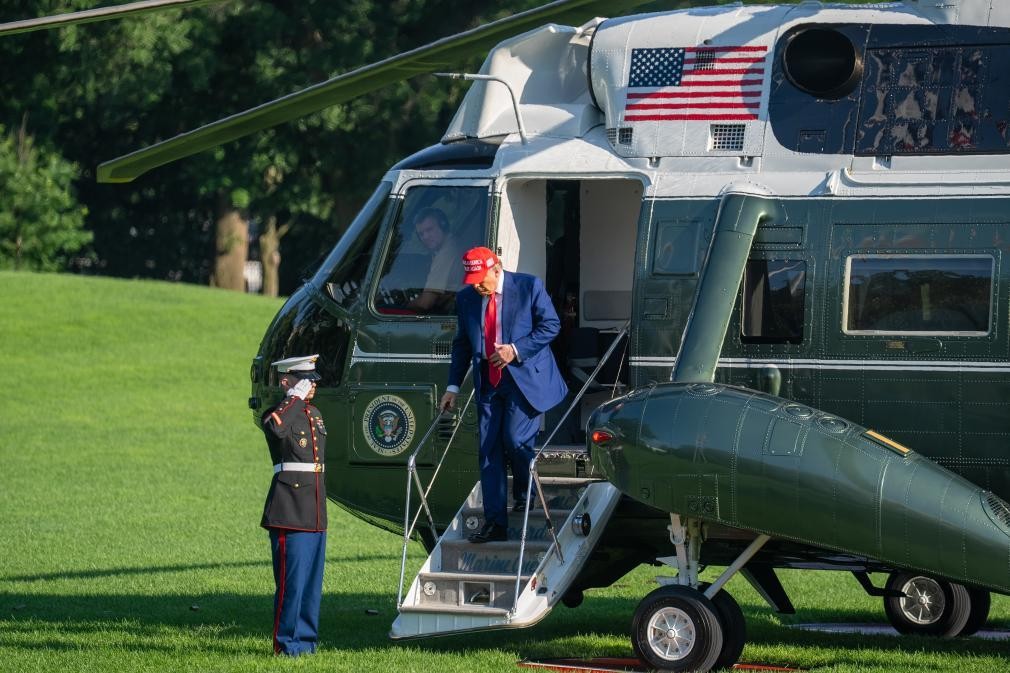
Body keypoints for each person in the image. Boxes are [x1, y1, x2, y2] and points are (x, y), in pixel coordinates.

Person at [439, 247, 568, 543]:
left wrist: (515, 350)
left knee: (514, 438)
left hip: (523, 378)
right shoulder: (466, 298)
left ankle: (525, 492)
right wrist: (452, 387)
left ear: (496, 268)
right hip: (488, 379)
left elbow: (551, 325)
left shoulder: (528, 286)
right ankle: (495, 523)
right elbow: (462, 344)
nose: (477, 286)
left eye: (480, 279)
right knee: (488, 448)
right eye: (472, 281)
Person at [260, 354, 327, 656]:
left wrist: (299, 400)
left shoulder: (314, 414)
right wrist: (293, 399)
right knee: (292, 584)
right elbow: (276, 430)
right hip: (289, 508)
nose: (311, 386)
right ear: (286, 381)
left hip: (314, 510)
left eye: (312, 381)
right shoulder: (277, 413)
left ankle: (307, 644)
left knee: (311, 586)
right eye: (304, 381)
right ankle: (286, 645)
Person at [409, 207, 463, 313]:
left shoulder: (446, 252)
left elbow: (426, 303)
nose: (425, 237)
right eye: (421, 234)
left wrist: (404, 306)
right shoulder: (453, 242)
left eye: (429, 230)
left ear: (443, 226)